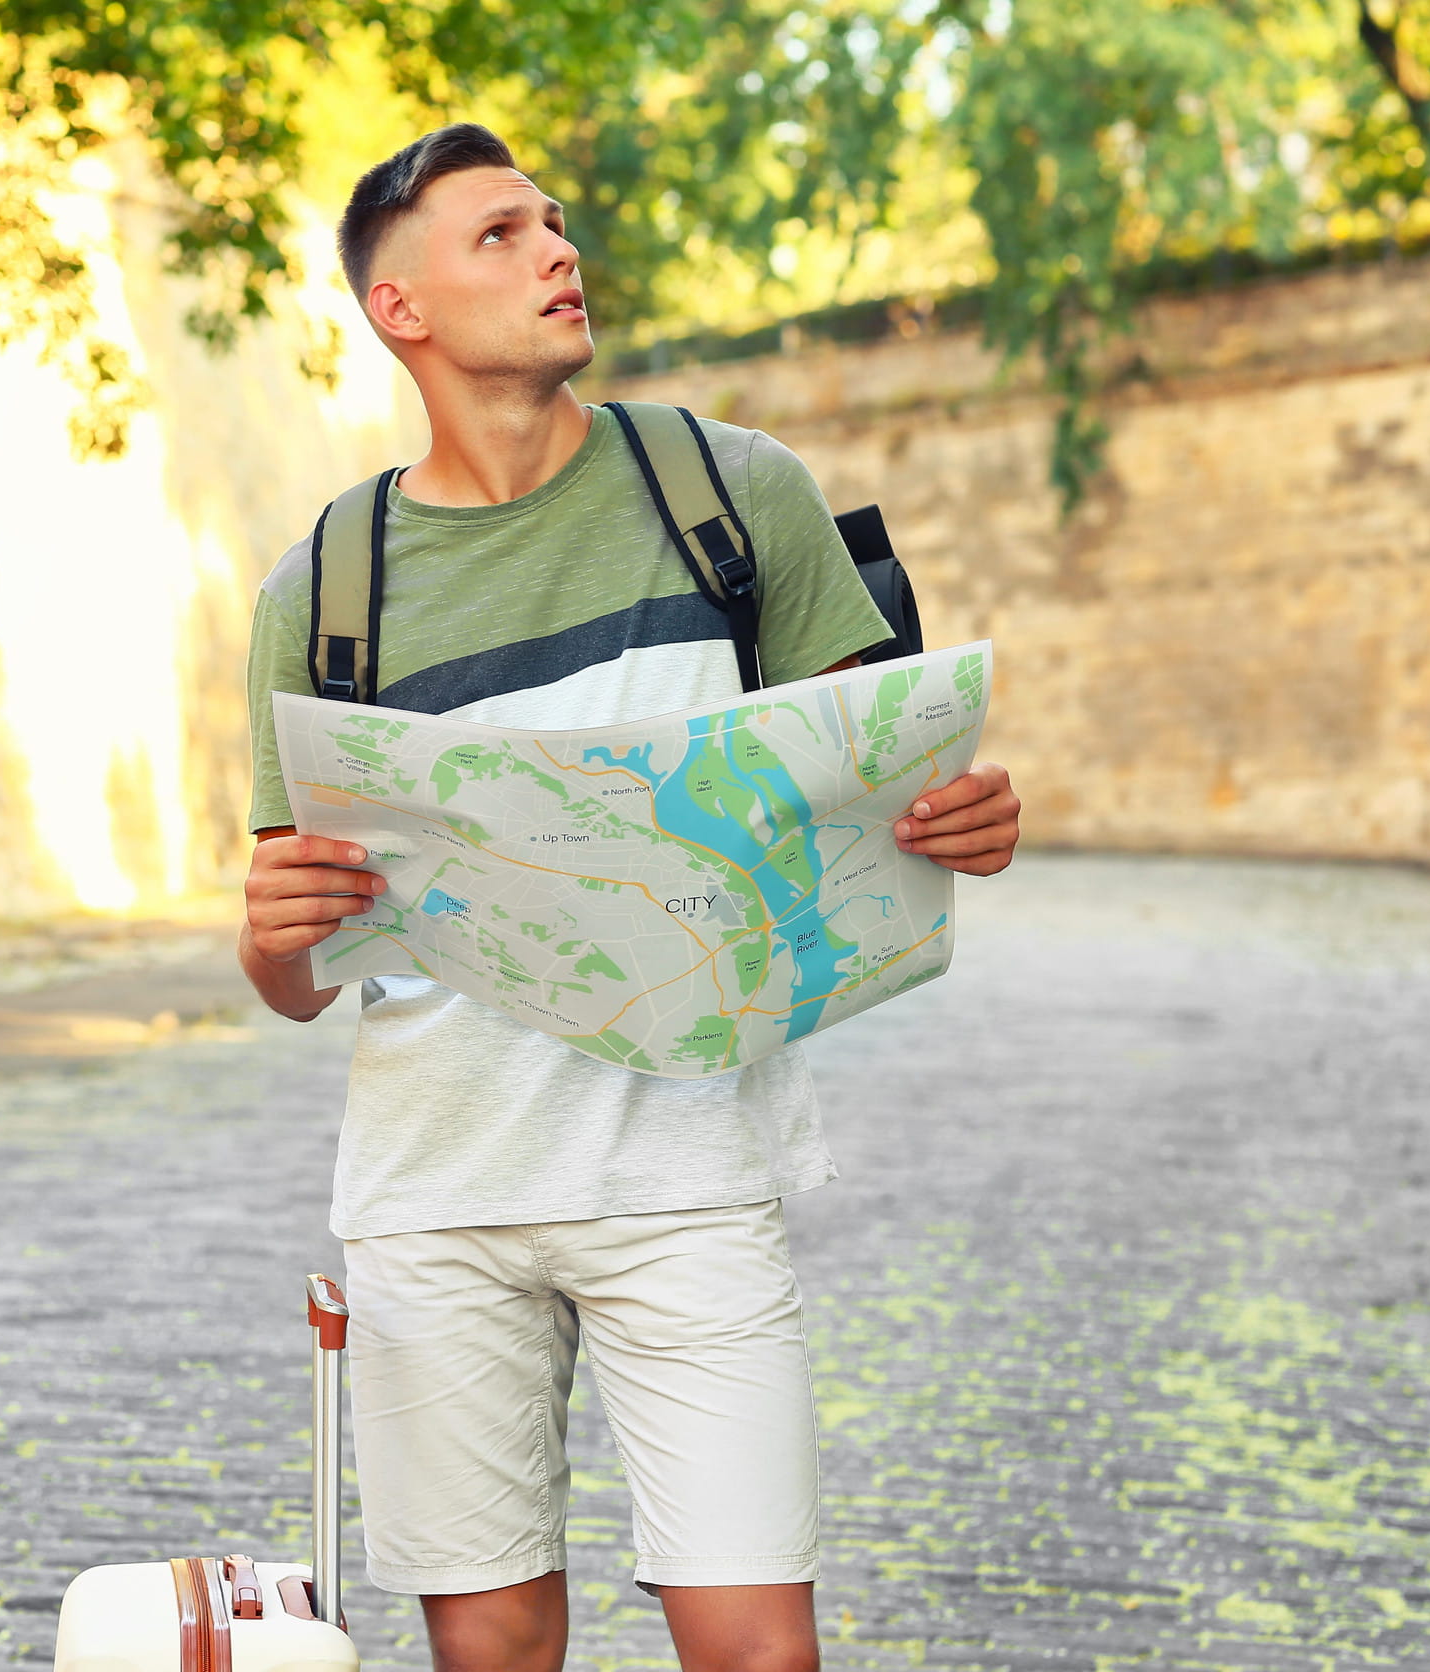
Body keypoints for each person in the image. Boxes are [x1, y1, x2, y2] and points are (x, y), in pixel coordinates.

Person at [238, 124, 1023, 1672]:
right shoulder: (321, 591)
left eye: (553, 224)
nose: (554, 251)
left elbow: (877, 791)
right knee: (496, 1655)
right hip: (436, 1197)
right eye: (500, 235)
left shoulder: (730, 496)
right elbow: (298, 969)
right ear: (399, 310)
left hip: (691, 1177)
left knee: (757, 1653)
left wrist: (962, 817)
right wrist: (271, 939)